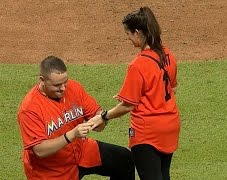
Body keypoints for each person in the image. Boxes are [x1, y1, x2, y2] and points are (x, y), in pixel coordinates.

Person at [89, 6, 181, 180]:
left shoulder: (138, 65)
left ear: (137, 32)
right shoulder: (168, 54)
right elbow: (172, 88)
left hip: (148, 133)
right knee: (163, 175)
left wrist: (104, 116)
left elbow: (128, 105)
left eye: (129, 34)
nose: (129, 39)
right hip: (170, 126)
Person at [17, 55, 135, 180]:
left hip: (81, 151)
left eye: (65, 82)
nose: (63, 88)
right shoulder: (29, 109)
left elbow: (98, 121)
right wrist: (72, 135)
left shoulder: (74, 88)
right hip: (51, 170)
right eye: (57, 85)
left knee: (123, 160)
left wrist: (101, 119)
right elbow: (40, 151)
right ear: (42, 80)